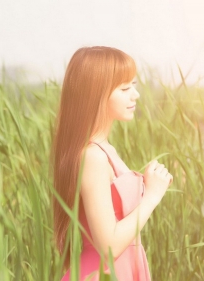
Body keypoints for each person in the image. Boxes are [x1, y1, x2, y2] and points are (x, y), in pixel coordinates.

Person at [52, 46, 173, 280]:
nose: (135, 95)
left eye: (133, 86)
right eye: (125, 88)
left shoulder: (105, 150)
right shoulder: (92, 157)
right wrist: (152, 196)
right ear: (95, 95)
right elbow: (109, 246)